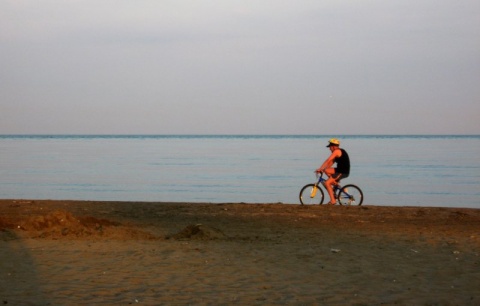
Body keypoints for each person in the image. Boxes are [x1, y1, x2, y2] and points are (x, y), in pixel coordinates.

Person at [315, 138, 350, 205]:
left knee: (327, 183)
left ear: (333, 146)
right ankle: (336, 184)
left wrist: (320, 168)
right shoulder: (337, 153)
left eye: (330, 147)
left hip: (343, 172)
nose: (329, 149)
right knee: (326, 170)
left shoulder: (337, 151)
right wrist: (323, 169)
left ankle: (333, 201)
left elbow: (328, 160)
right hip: (339, 170)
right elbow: (330, 163)